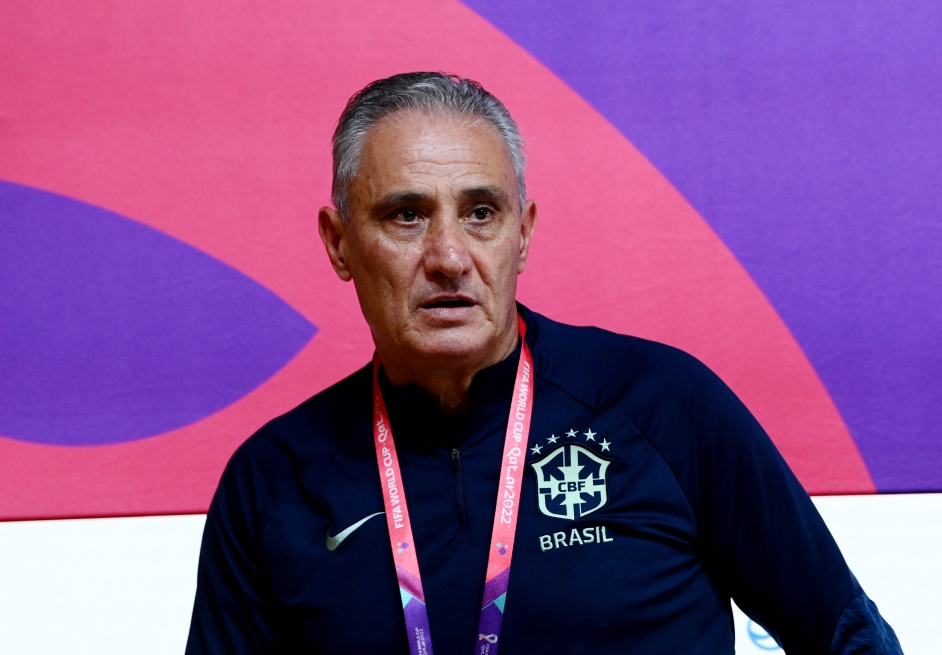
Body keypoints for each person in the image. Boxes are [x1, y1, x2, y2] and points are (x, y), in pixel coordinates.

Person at [186, 72, 902, 654]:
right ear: (339, 242)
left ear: (521, 235)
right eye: (406, 215)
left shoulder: (665, 407)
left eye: (481, 212)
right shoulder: (273, 482)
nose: (448, 256)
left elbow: (848, 638)